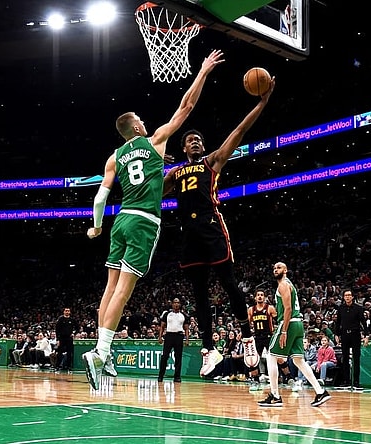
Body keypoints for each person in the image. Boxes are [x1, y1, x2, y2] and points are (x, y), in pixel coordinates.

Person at [82, 49, 224, 390]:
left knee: (109, 288)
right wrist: (203, 71)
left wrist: (97, 225)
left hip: (119, 220)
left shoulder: (113, 157)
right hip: (145, 221)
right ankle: (100, 352)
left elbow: (101, 197)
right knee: (125, 292)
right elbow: (186, 107)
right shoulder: (155, 139)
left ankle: (106, 352)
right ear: (136, 126)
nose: (145, 122)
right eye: (141, 119)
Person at [163, 76, 276, 377]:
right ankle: (207, 350)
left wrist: (261, 103)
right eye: (191, 140)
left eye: (199, 139)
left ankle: (248, 337)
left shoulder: (212, 161)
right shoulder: (174, 173)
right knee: (199, 293)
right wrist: (156, 162)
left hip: (212, 226)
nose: (196, 142)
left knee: (229, 283)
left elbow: (238, 131)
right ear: (184, 147)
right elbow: (151, 192)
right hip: (188, 233)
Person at [258, 262, 330, 408]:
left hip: (289, 323)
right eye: (274, 268)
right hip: (298, 324)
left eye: (278, 267)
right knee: (299, 360)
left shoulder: (283, 284)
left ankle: (275, 396)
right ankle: (320, 391)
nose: (275, 270)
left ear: (285, 270)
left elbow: (288, 309)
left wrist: (283, 330)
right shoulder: (289, 284)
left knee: (271, 355)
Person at [334, 290, 368, 390]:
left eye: (349, 295)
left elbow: (363, 322)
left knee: (356, 358)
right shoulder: (340, 308)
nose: (347, 297)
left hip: (355, 334)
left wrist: (366, 335)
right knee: (345, 358)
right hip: (344, 334)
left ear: (353, 297)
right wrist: (337, 334)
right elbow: (338, 322)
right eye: (346, 295)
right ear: (343, 297)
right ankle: (346, 381)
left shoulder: (358, 308)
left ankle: (356, 382)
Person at [247, 289, 277, 387]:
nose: (260, 296)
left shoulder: (270, 308)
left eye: (262, 295)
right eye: (258, 295)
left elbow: (277, 319)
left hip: (269, 336)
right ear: (255, 298)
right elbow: (248, 323)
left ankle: (288, 377)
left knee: (275, 357)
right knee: (254, 358)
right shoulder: (251, 309)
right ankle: (255, 380)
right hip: (257, 337)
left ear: (264, 297)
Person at [157, 298, 190, 383]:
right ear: (172, 304)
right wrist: (160, 337)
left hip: (179, 336)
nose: (176, 304)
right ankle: (161, 376)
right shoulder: (167, 314)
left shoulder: (184, 315)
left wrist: (187, 339)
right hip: (169, 336)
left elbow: (186, 329)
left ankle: (177, 377)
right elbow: (162, 326)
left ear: (180, 304)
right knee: (164, 356)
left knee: (178, 357)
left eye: (178, 303)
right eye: (174, 302)